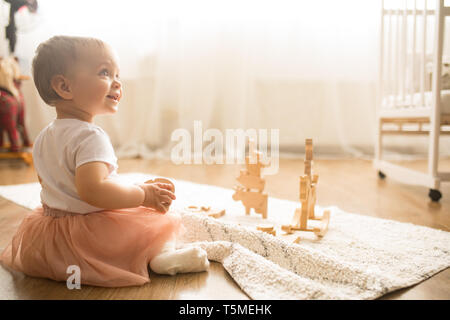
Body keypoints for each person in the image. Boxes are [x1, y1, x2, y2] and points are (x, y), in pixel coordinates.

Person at [0, 35, 209, 287]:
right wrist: (143, 195)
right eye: (104, 72)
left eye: (117, 74)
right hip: (91, 237)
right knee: (158, 219)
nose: (117, 83)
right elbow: (94, 191)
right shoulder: (90, 136)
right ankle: (163, 258)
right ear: (65, 87)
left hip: (52, 237)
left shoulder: (45, 135)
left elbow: (56, 184)